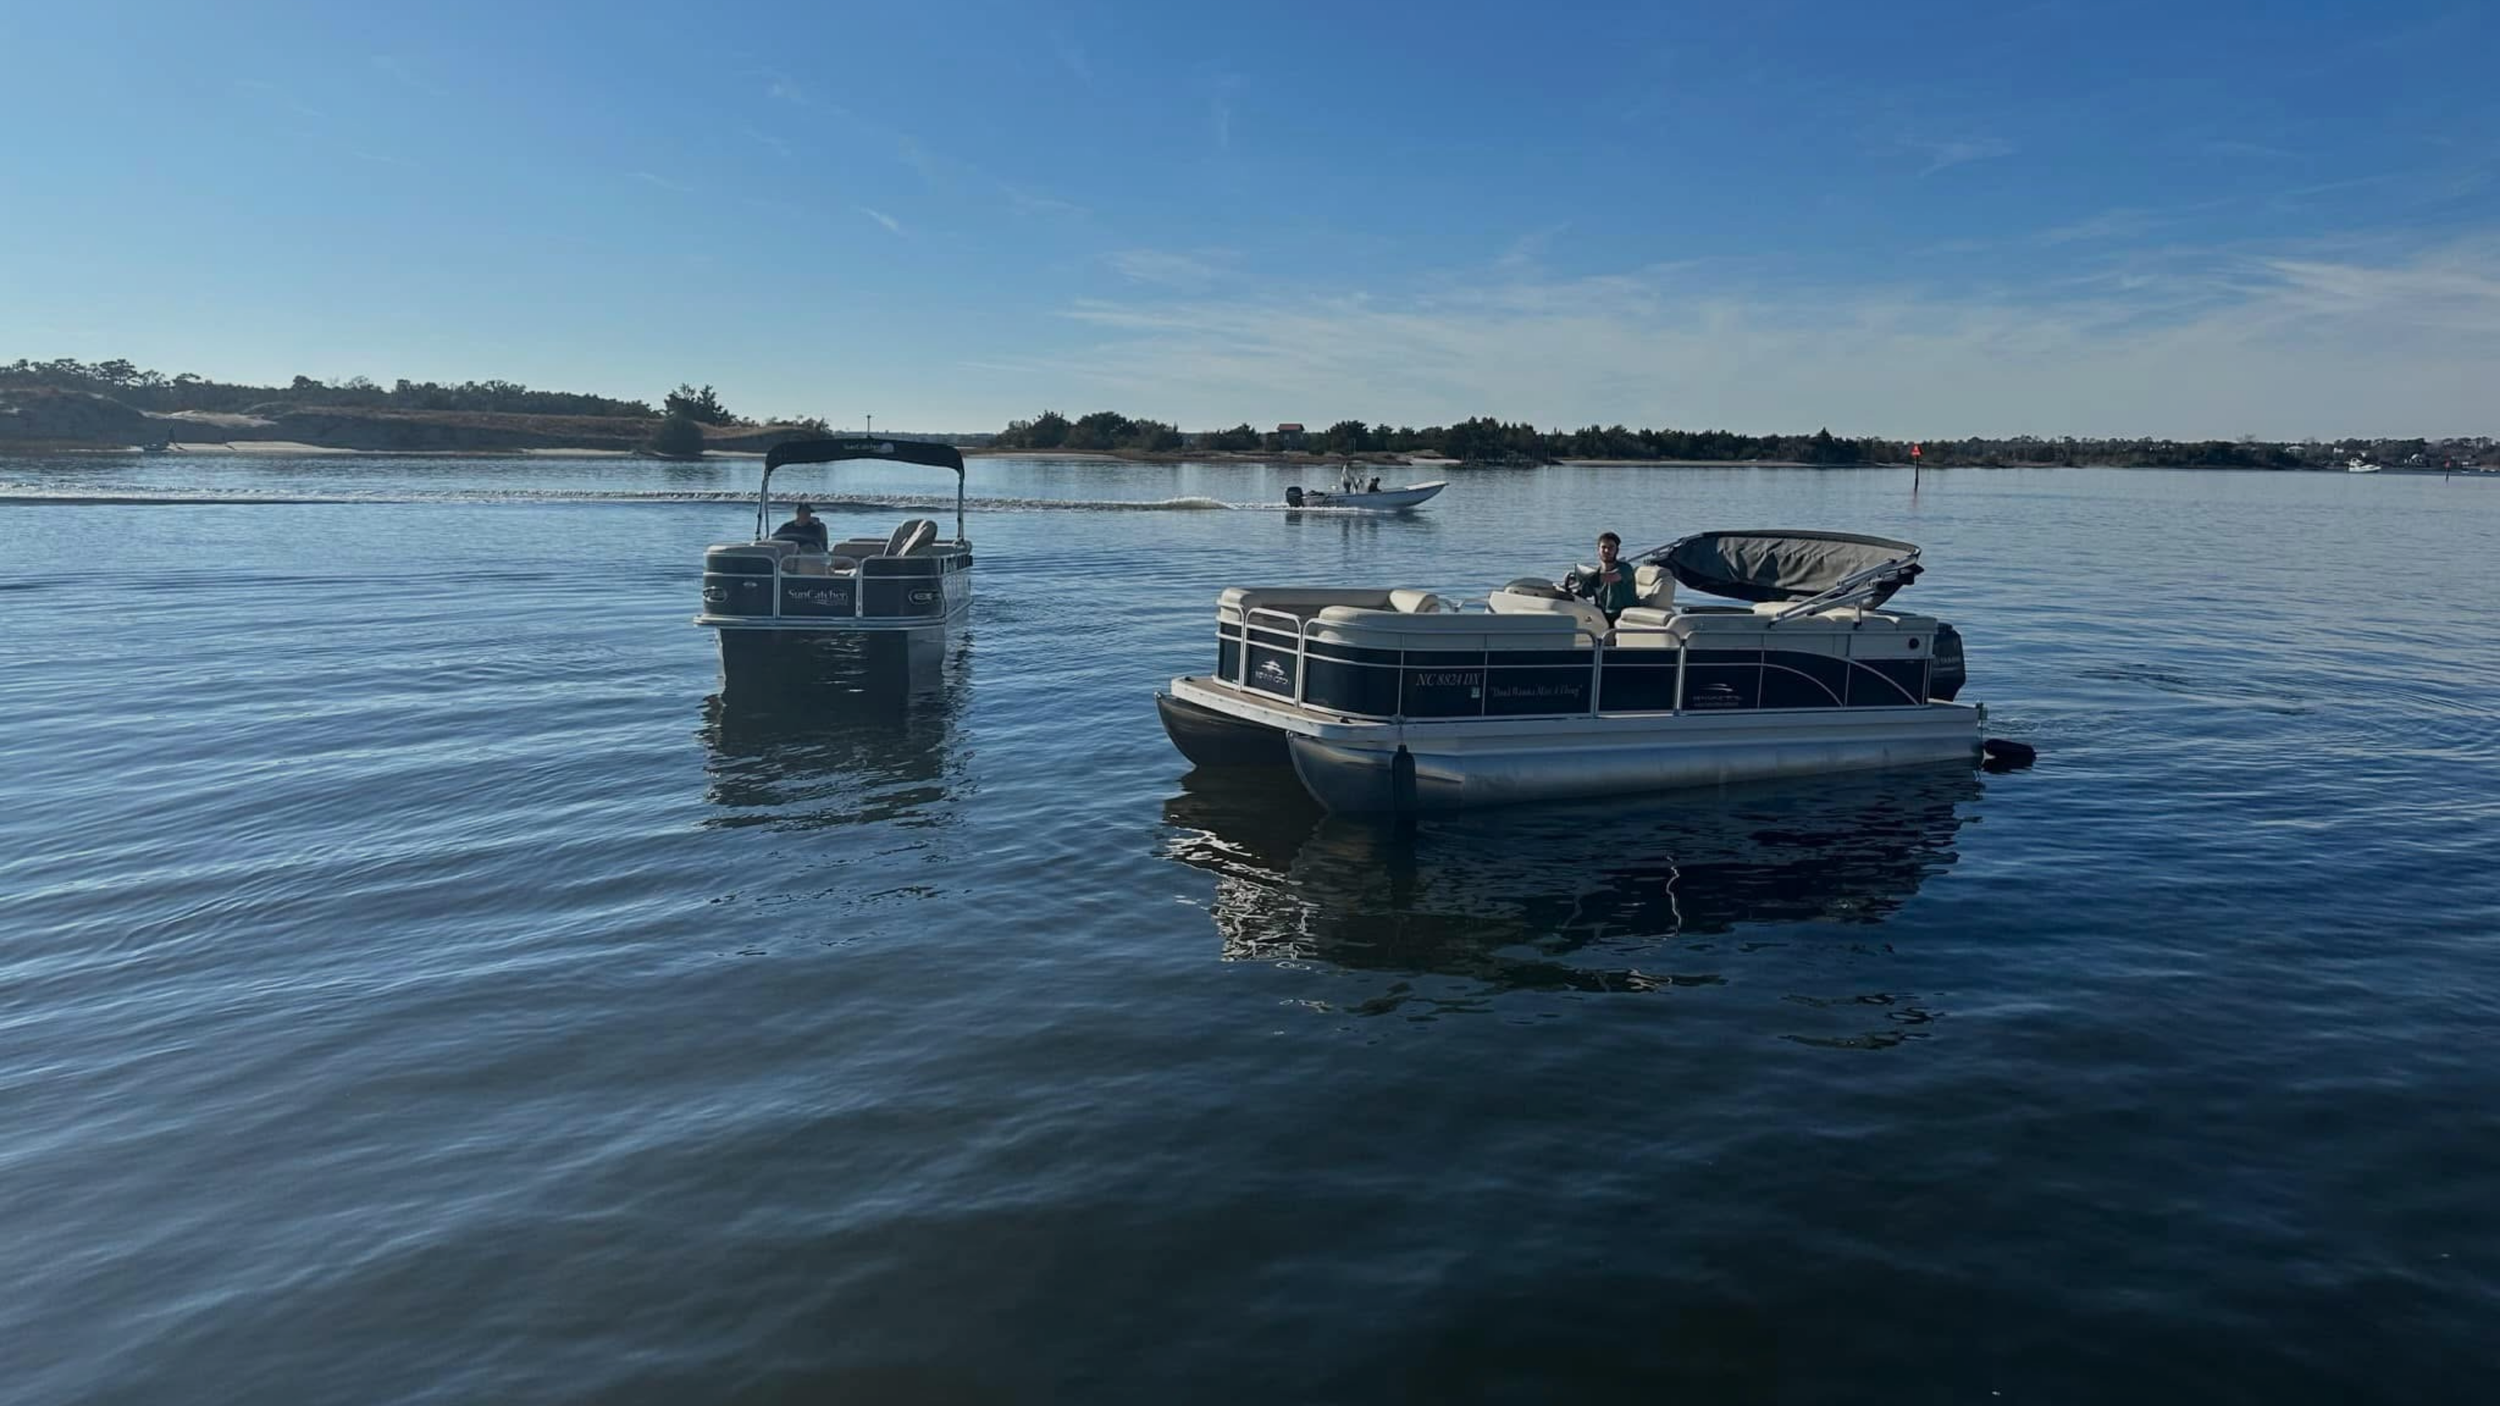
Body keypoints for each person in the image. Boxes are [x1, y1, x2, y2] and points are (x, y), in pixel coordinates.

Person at [1572, 531, 1639, 620]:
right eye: (1603, 547)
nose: (1607, 551)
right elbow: (1584, 592)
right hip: (1603, 616)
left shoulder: (1625, 568)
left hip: (1623, 616)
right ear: (1598, 549)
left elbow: (1612, 577)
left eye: (1611, 547)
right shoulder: (1596, 573)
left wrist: (1583, 576)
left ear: (1617, 550)